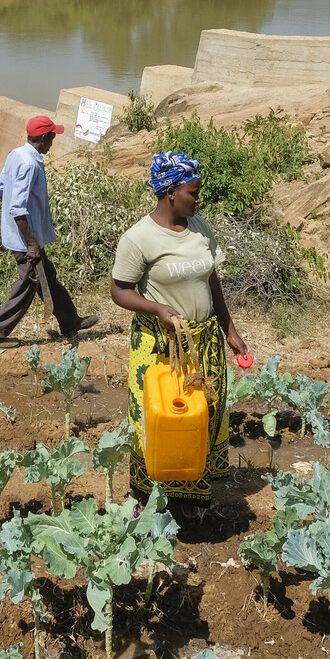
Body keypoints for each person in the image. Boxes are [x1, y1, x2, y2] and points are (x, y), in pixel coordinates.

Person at [110, 151, 248, 505]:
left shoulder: (199, 228)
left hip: (204, 342)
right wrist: (156, 308)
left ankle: (192, 500)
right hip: (161, 347)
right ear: (170, 192)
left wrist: (228, 327)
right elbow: (119, 290)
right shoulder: (139, 238)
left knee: (201, 418)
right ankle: (148, 497)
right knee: (160, 420)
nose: (198, 199)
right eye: (193, 192)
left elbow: (211, 278)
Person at [0, 115, 98, 346]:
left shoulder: (16, 154)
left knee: (48, 278)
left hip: (22, 235)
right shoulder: (30, 164)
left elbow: (0, 188)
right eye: (52, 136)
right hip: (25, 240)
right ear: (43, 138)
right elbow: (16, 208)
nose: (53, 141)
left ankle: (70, 322)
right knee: (28, 285)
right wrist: (31, 242)